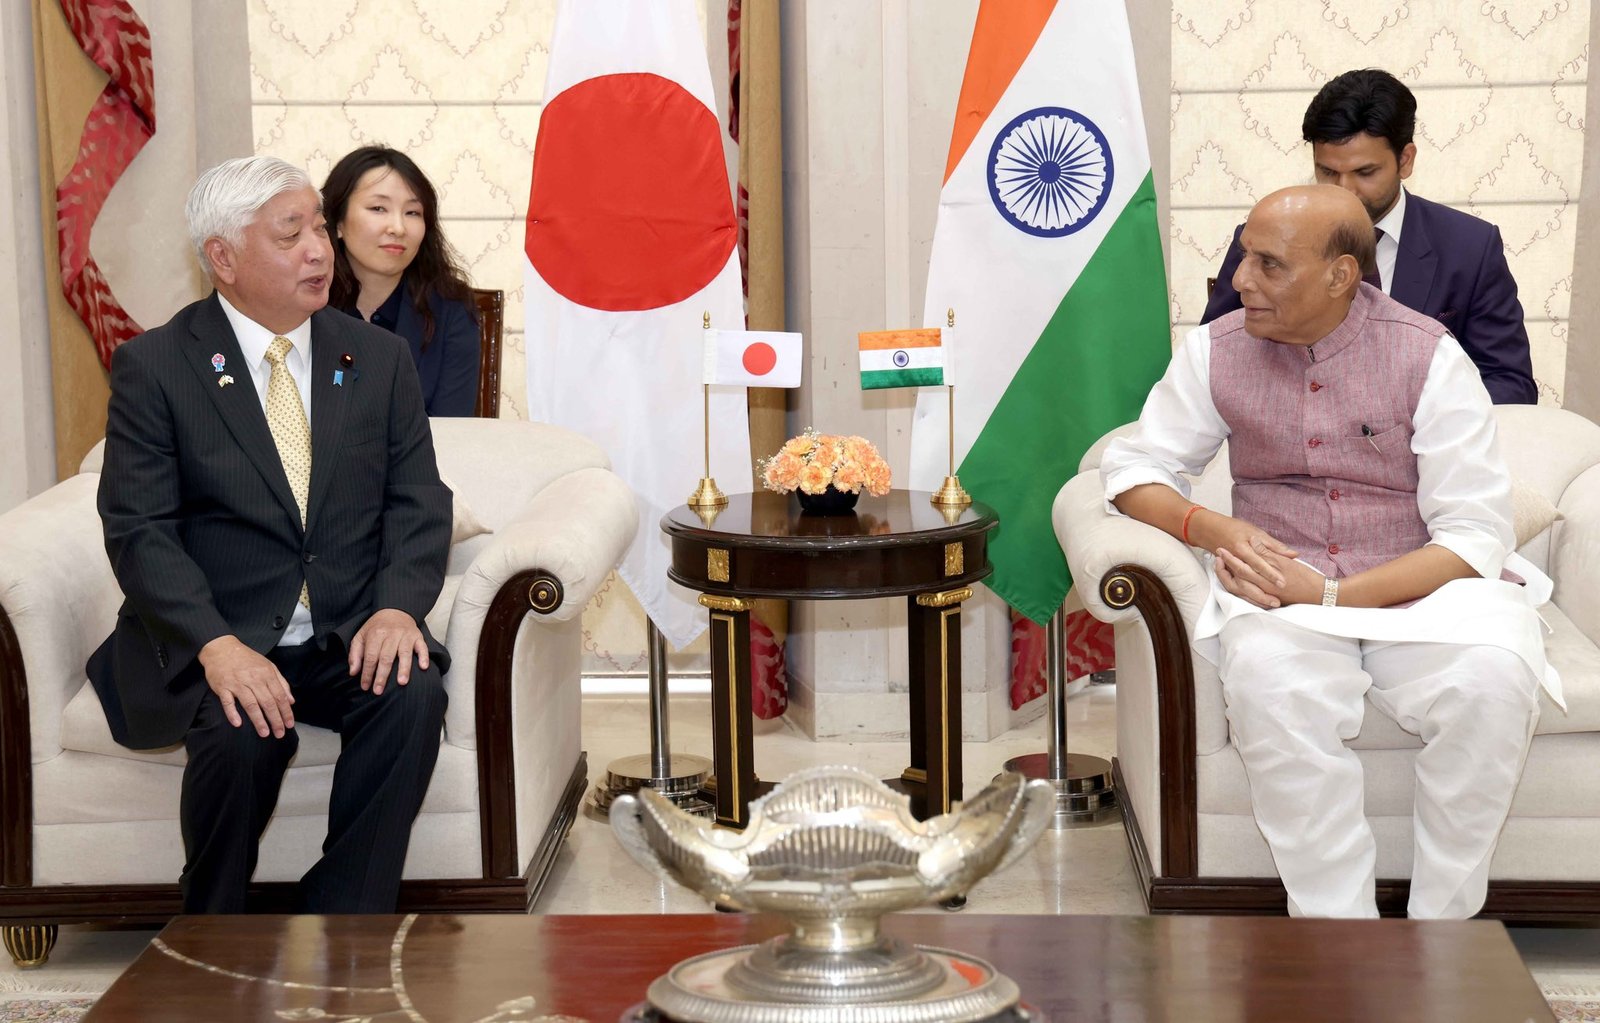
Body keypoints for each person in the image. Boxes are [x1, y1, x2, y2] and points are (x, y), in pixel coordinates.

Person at [1104, 184, 1559, 920]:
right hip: (1276, 591)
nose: (1240, 279)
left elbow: (1475, 533)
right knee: (1273, 688)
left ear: (1341, 275)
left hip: (1427, 591)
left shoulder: (1428, 355)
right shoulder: (1216, 349)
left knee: (1492, 681)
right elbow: (1133, 469)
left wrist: (1334, 595)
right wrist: (1214, 529)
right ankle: (1339, 938)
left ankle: (1442, 933)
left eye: (1269, 264)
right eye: (1245, 256)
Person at [87, 155, 453, 914]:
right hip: (224, 628)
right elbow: (139, 529)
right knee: (239, 732)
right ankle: (212, 929)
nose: (320, 250)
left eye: (319, 227)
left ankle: (344, 920)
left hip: (345, 625)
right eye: (292, 236)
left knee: (411, 692)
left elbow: (419, 501)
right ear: (223, 258)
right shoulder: (157, 366)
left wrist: (396, 608)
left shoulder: (375, 357)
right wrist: (216, 646)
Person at [1200, 68, 1537, 405]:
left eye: (1364, 172)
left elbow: (1509, 383)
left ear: (1405, 160)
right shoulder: (1263, 242)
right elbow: (1210, 362)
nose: (1344, 190)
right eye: (1328, 171)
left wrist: (1415, 418)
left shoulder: (1470, 247)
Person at [322, 146, 480, 416]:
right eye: (378, 208)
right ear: (338, 222)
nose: (398, 228)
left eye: (412, 212)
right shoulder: (306, 307)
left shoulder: (452, 310)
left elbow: (453, 427)